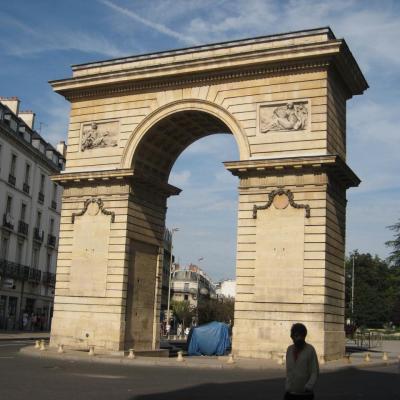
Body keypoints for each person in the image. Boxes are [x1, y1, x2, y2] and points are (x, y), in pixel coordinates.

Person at [284, 323, 319, 400]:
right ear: (292, 337)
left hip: (305, 394)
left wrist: (308, 386)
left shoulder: (310, 350)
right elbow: (288, 371)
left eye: (301, 336)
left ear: (304, 336)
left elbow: (314, 371)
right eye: (296, 336)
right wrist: (288, 386)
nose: (299, 338)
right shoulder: (289, 350)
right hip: (290, 393)